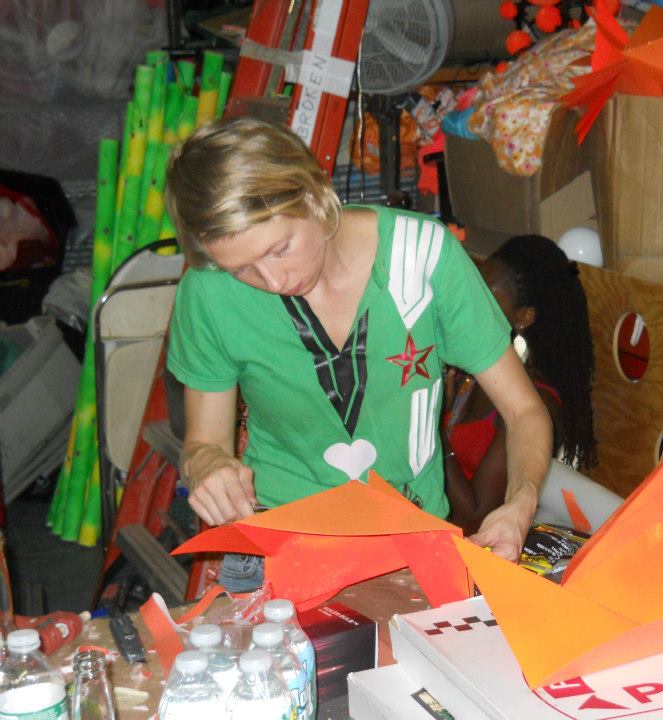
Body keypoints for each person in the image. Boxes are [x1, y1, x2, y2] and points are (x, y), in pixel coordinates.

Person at [163, 117, 552, 587]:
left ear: (313, 195)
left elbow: (525, 409)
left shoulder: (423, 258)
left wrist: (520, 504)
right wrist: (206, 464)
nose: (273, 282)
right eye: (241, 268)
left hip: (412, 543)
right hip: (282, 543)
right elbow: (204, 444)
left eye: (280, 248)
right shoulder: (208, 292)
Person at [443, 234, 598, 535]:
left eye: (485, 298)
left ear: (523, 317)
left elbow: (476, 518)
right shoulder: (477, 367)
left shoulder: (537, 402)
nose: (469, 304)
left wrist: (431, 429)